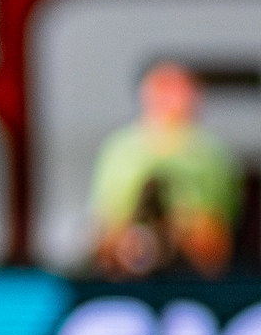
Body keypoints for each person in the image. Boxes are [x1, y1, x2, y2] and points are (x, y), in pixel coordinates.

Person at [89, 61, 239, 279]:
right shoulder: (118, 151)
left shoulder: (212, 155)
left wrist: (181, 227)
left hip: (193, 281)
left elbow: (220, 241)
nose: (172, 100)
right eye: (163, 90)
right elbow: (103, 232)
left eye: (179, 91)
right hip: (127, 282)